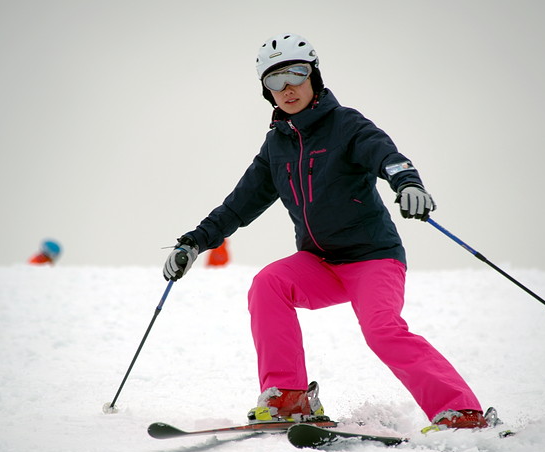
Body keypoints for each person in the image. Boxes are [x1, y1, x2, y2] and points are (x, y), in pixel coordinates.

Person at [163, 33, 488, 429]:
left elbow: (384, 153)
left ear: (313, 74)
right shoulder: (275, 148)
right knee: (268, 284)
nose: (286, 88)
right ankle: (288, 399)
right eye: (273, 81)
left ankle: (461, 411)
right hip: (318, 262)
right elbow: (238, 205)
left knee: (381, 330)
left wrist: (408, 183)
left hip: (372, 257)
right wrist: (193, 242)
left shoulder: (345, 125)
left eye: (295, 74)